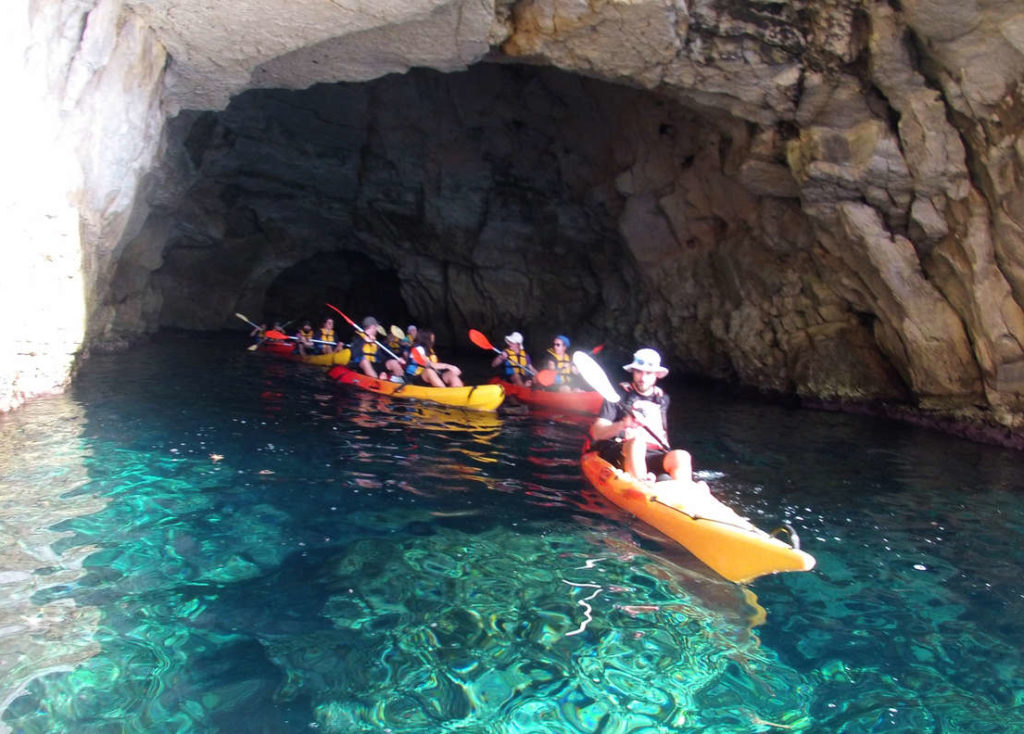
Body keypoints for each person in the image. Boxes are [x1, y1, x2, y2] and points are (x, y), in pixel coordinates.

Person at [588, 348, 696, 484]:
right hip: (621, 450)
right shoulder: (619, 394)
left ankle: (684, 493)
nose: (643, 378)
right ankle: (641, 485)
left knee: (682, 456)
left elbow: (662, 432)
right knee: (637, 443)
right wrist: (623, 424)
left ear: (656, 374)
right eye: (639, 371)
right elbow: (597, 433)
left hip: (651, 453)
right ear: (633, 372)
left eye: (649, 373)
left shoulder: (662, 399)